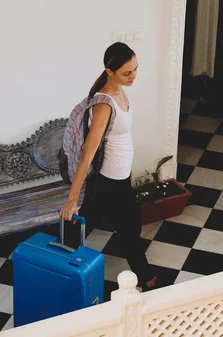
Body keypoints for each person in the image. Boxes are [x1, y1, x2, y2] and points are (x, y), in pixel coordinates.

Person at [59, 42, 157, 291]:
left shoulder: (121, 91)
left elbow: (120, 138)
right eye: (127, 72)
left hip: (118, 177)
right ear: (110, 71)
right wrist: (71, 199)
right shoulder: (104, 104)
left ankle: (57, 261)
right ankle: (146, 278)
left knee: (88, 222)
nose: (133, 75)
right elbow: (87, 155)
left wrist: (129, 168)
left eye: (135, 69)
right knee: (129, 228)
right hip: (109, 180)